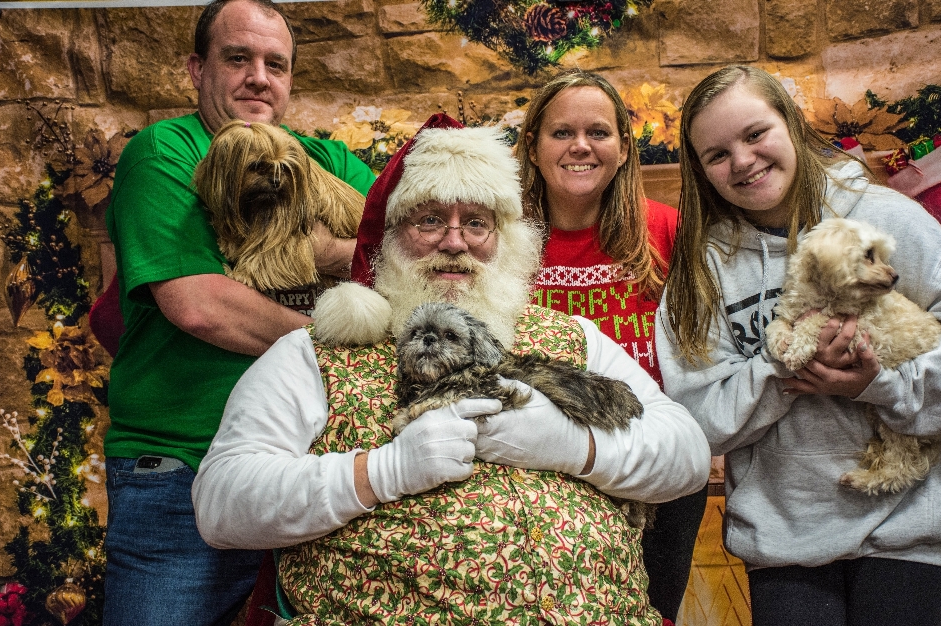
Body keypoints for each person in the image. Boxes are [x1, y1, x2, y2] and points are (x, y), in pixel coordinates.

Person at [192, 114, 711, 625]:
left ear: (504, 237)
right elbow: (221, 502)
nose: (455, 242)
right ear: (388, 236)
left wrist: (578, 448)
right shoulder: (316, 353)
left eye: (477, 222)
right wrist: (381, 472)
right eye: (430, 219)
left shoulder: (572, 335)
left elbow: (687, 455)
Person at [101, 0, 375, 623]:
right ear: (197, 70)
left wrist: (323, 251)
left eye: (274, 64)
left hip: (316, 472)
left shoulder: (329, 162)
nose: (258, 76)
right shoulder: (166, 152)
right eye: (237, 58)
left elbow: (410, 243)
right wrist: (351, 346)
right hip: (184, 471)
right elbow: (201, 306)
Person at [656, 64, 941, 626]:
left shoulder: (885, 222)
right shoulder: (703, 272)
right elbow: (700, 423)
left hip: (911, 528)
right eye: (716, 154)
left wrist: (880, 385)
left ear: (790, 124)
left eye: (755, 134)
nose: (742, 161)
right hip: (786, 540)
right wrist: (781, 368)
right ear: (699, 170)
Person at [514, 68, 708, 624]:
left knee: (654, 612)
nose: (581, 146)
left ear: (624, 147)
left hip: (653, 461)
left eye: (598, 132)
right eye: (561, 133)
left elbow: (705, 343)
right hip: (547, 466)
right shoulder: (500, 238)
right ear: (532, 147)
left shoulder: (668, 229)